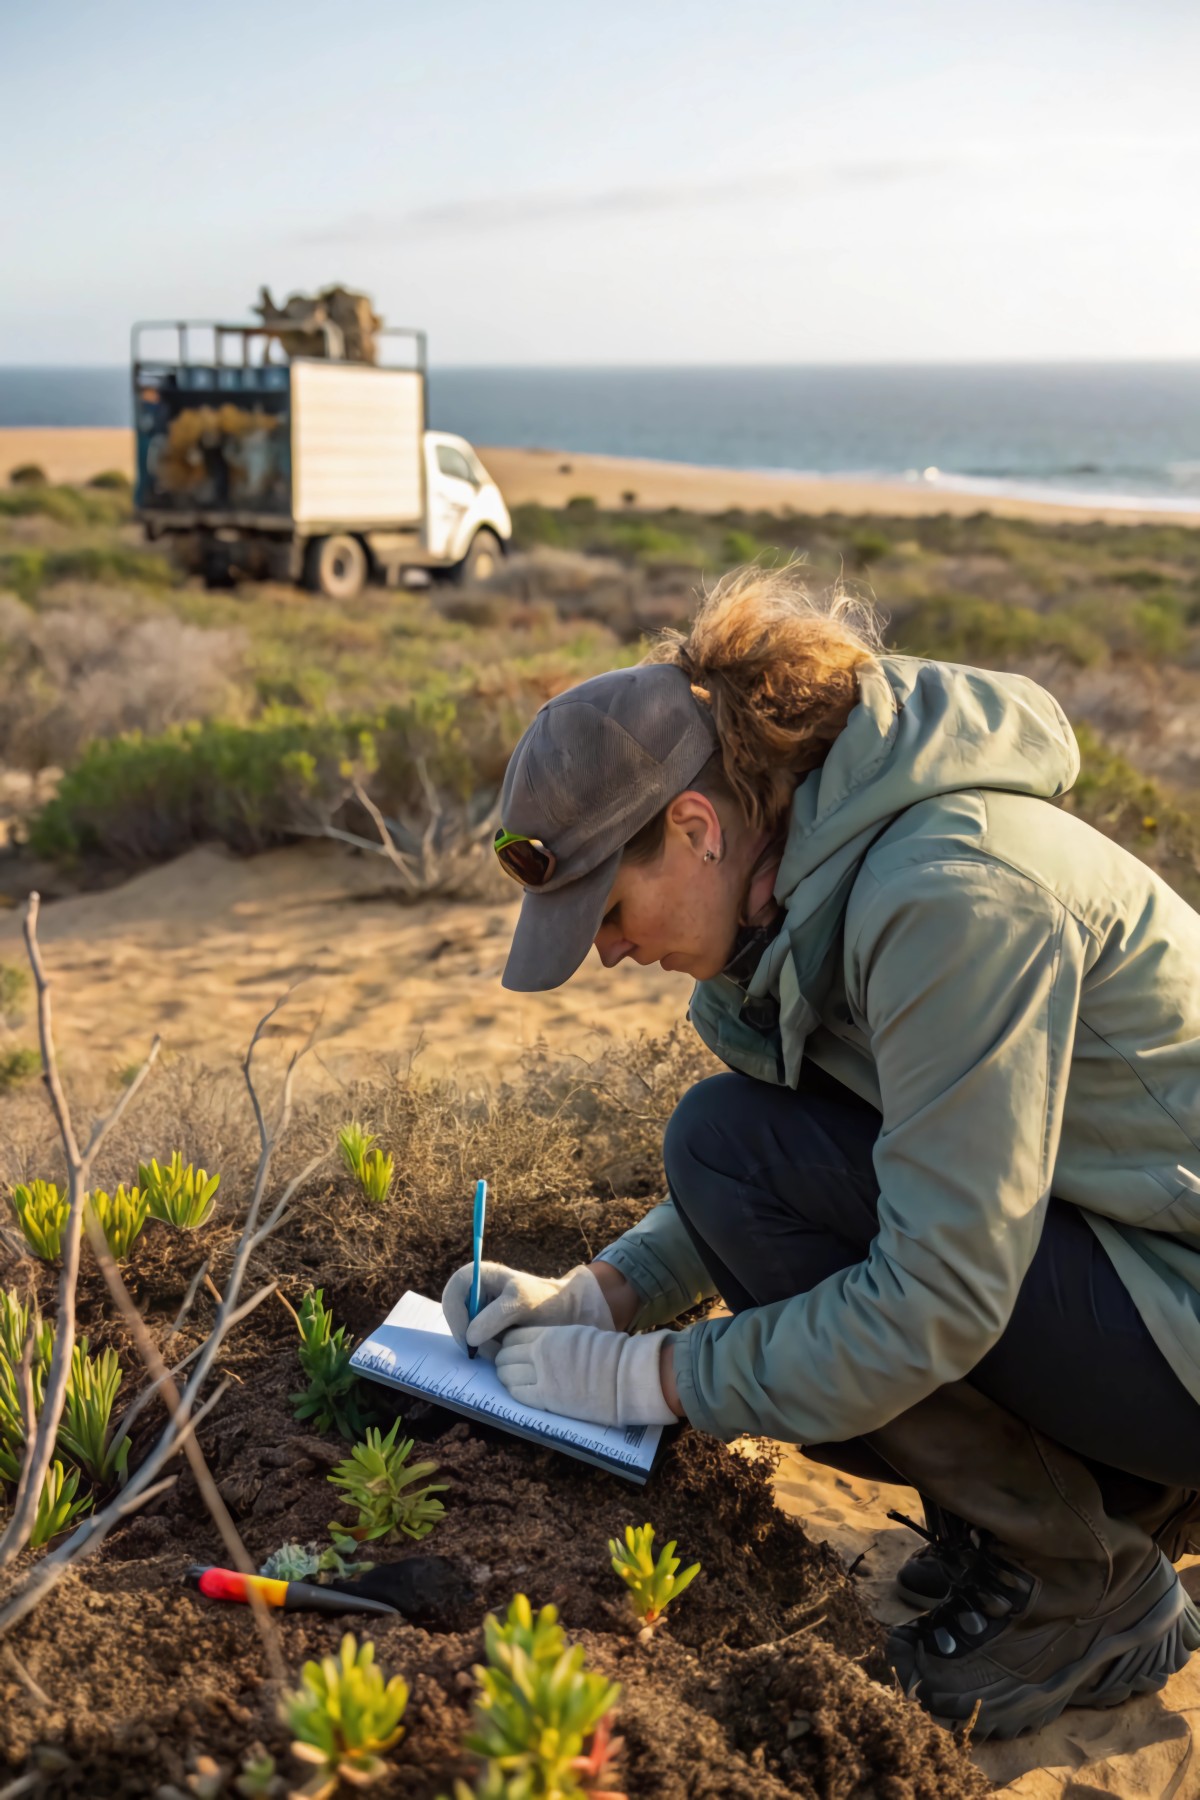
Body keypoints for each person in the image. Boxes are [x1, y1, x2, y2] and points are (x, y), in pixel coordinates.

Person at [441, 566, 1200, 1740]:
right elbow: (802, 1164)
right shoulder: (800, 895)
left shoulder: (950, 897)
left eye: (606, 912)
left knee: (752, 1177)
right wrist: (602, 1295)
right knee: (727, 1148)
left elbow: (938, 1299)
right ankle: (1059, 1511)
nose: (603, 953)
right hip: (1139, 1278)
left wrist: (652, 1380)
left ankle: (1081, 1579)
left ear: (694, 829)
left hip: (1184, 1319)